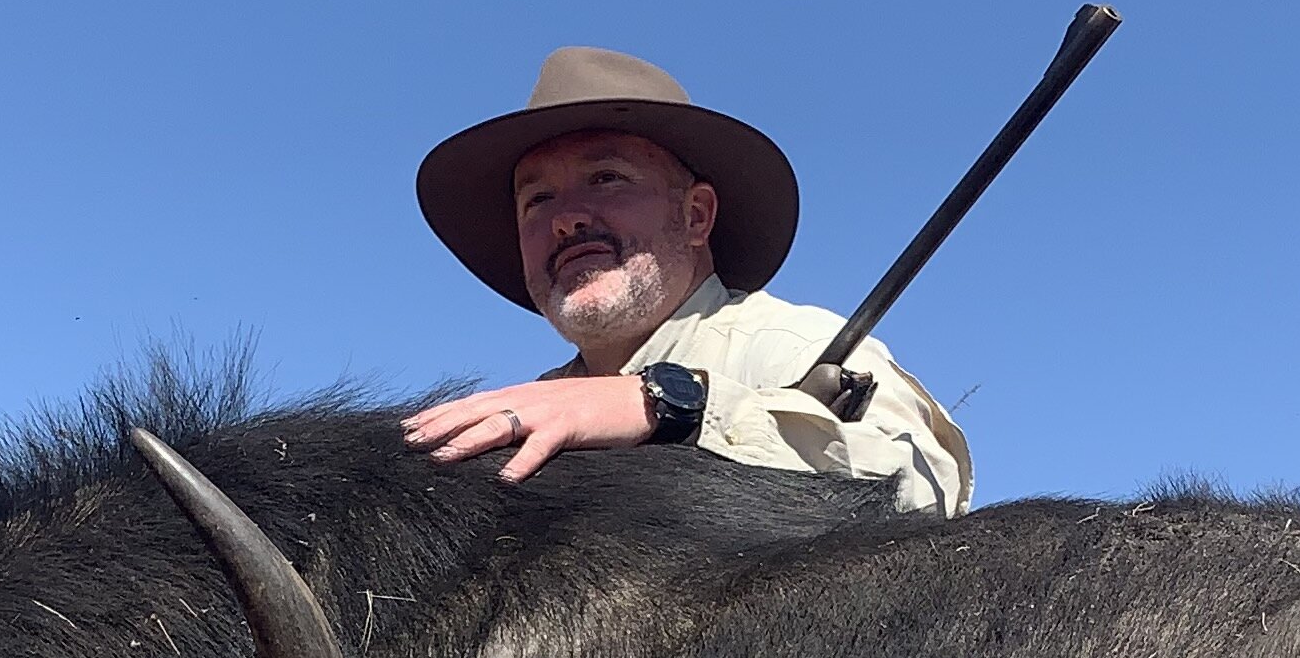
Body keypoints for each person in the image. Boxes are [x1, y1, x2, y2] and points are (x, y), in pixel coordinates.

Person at [403, 46, 973, 515]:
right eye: (537, 200)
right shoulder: (525, 413)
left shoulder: (793, 348)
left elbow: (925, 493)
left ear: (696, 215)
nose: (566, 217)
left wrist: (673, 405)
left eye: (606, 178)